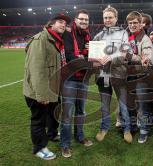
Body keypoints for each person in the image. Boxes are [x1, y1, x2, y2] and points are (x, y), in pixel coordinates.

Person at [23, 13, 71, 160]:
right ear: (51, 24)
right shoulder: (41, 39)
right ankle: (39, 148)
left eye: (65, 23)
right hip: (39, 91)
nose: (63, 25)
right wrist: (42, 95)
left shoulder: (55, 40)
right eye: (60, 22)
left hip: (52, 89)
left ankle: (51, 134)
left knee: (52, 114)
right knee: (39, 120)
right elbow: (37, 71)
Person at [93, 7, 132, 143]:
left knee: (123, 104)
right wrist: (93, 56)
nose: (108, 20)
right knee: (104, 105)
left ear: (116, 18)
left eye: (110, 17)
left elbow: (125, 54)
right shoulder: (98, 35)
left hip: (119, 74)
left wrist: (111, 58)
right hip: (103, 75)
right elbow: (94, 57)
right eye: (105, 18)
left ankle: (127, 129)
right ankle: (104, 128)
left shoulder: (123, 34)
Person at [60, 9, 93, 158]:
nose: (84, 22)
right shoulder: (67, 34)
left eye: (86, 20)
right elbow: (69, 56)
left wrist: (86, 54)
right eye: (81, 19)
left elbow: (89, 56)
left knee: (81, 111)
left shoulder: (87, 36)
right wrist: (85, 58)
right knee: (67, 113)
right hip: (70, 79)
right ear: (75, 20)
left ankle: (79, 137)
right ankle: (65, 144)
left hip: (83, 78)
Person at [126, 11, 153, 143]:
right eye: (130, 23)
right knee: (132, 104)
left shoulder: (145, 39)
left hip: (142, 77)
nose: (132, 25)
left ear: (140, 24)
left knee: (143, 105)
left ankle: (144, 131)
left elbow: (148, 57)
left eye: (135, 23)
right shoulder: (127, 36)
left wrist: (132, 57)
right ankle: (133, 126)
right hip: (129, 76)